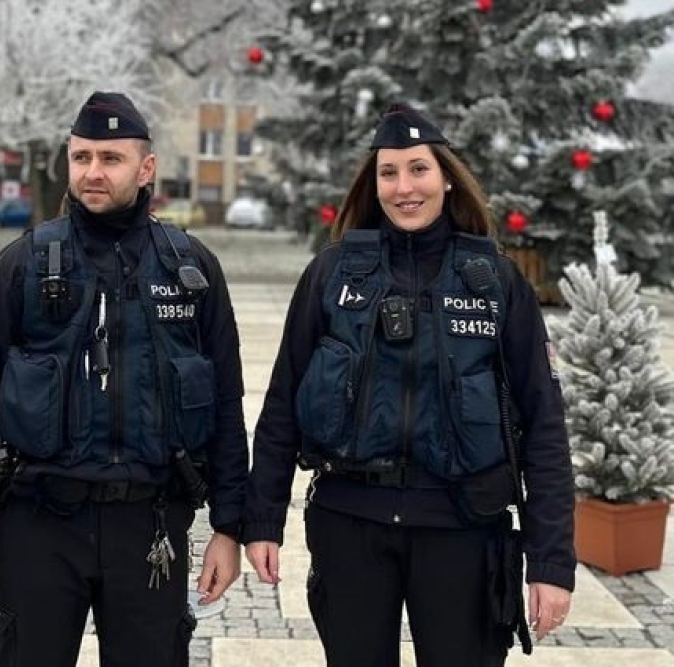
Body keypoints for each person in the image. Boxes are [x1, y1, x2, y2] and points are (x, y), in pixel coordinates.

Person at [243, 103, 575, 667]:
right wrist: (261, 520)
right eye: (389, 173)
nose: (404, 188)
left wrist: (551, 563)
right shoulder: (331, 274)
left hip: (463, 532)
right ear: (373, 185)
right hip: (351, 526)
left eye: (418, 169)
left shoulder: (494, 281)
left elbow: (544, 424)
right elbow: (282, 405)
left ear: (446, 175)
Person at [0, 91, 248, 667]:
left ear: (145, 167)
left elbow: (225, 402)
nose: (92, 172)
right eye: (82, 158)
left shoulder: (192, 271)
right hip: (38, 524)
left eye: (110, 158)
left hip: (151, 523)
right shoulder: (21, 267)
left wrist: (230, 526)